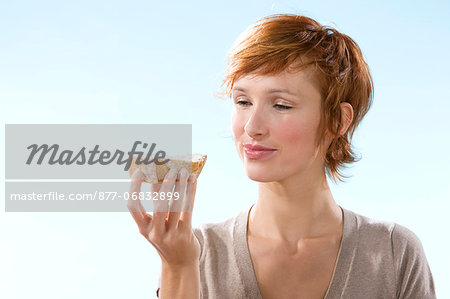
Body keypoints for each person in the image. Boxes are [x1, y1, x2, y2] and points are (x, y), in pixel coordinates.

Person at [128, 14, 436, 299]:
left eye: (281, 105)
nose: (252, 127)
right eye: (243, 101)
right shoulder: (198, 252)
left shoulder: (393, 253)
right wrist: (178, 267)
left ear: (337, 121)